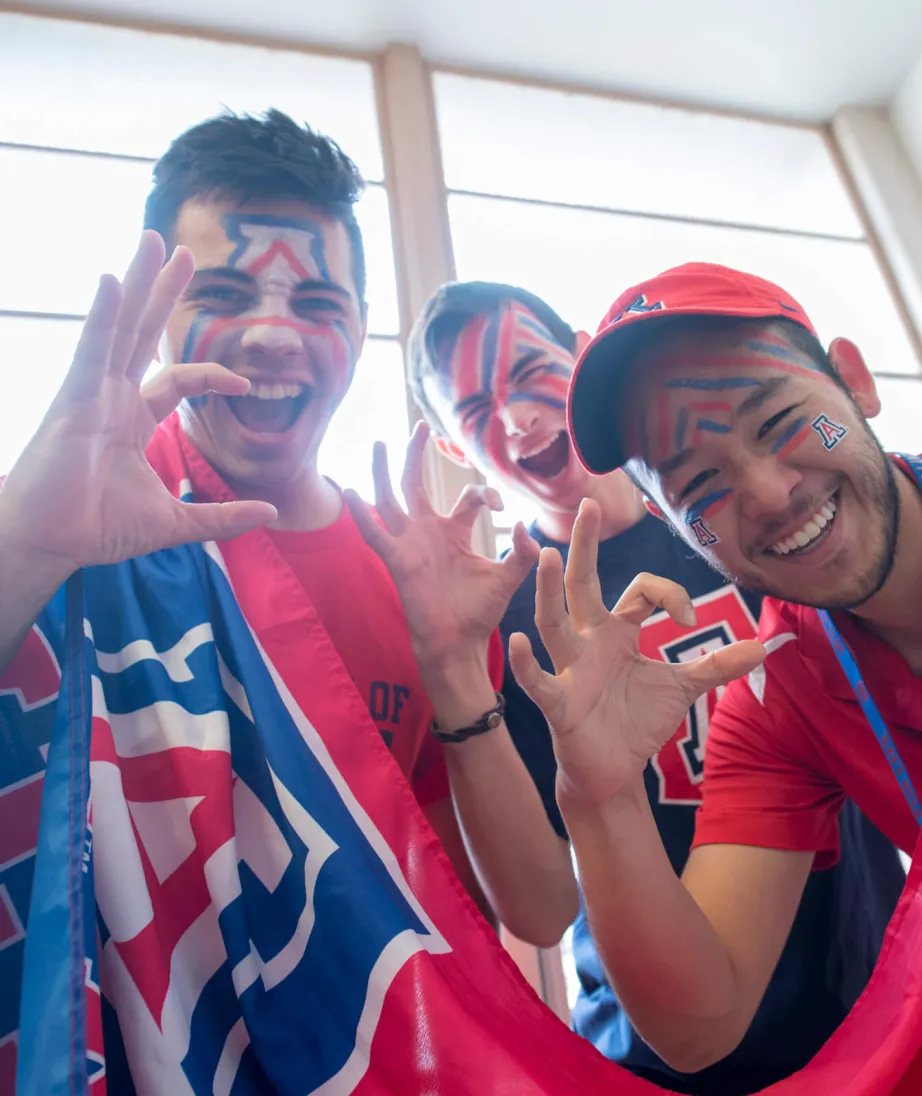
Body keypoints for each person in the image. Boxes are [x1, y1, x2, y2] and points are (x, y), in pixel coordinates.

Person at [0, 110, 546, 1084]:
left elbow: (527, 910)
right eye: (220, 292)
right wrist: (25, 544)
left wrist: (460, 672)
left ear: (361, 327)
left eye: (320, 303)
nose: (270, 336)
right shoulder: (66, 521)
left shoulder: (413, 572)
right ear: (159, 310)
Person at [507, 261, 922, 1095]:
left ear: (854, 381)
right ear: (674, 526)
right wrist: (600, 792)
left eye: (779, 422)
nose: (767, 494)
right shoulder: (777, 691)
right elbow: (699, 1025)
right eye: (701, 485)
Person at [405, 280, 905, 1094]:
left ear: (577, 352)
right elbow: (536, 912)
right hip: (663, 1051)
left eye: (531, 369)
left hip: (873, 987)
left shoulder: (741, 516)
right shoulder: (505, 623)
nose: (518, 419)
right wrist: (451, 669)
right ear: (455, 449)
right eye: (473, 410)